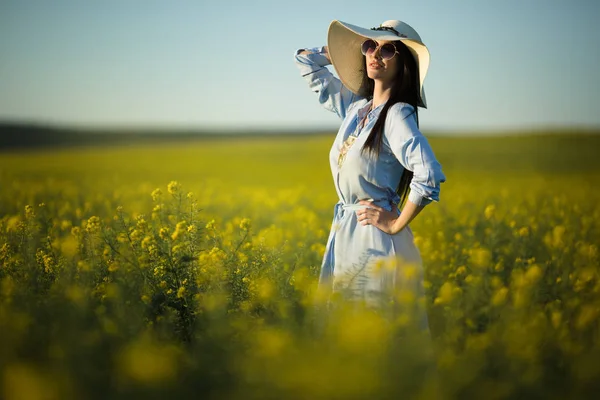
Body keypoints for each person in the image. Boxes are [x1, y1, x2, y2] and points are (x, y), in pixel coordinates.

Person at [294, 19, 446, 321]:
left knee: (376, 332)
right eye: (369, 46)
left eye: (387, 49)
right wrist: (344, 51)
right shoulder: (356, 108)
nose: (375, 54)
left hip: (376, 239)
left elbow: (429, 173)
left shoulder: (397, 114)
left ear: (404, 64)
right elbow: (305, 61)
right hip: (348, 231)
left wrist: (395, 224)